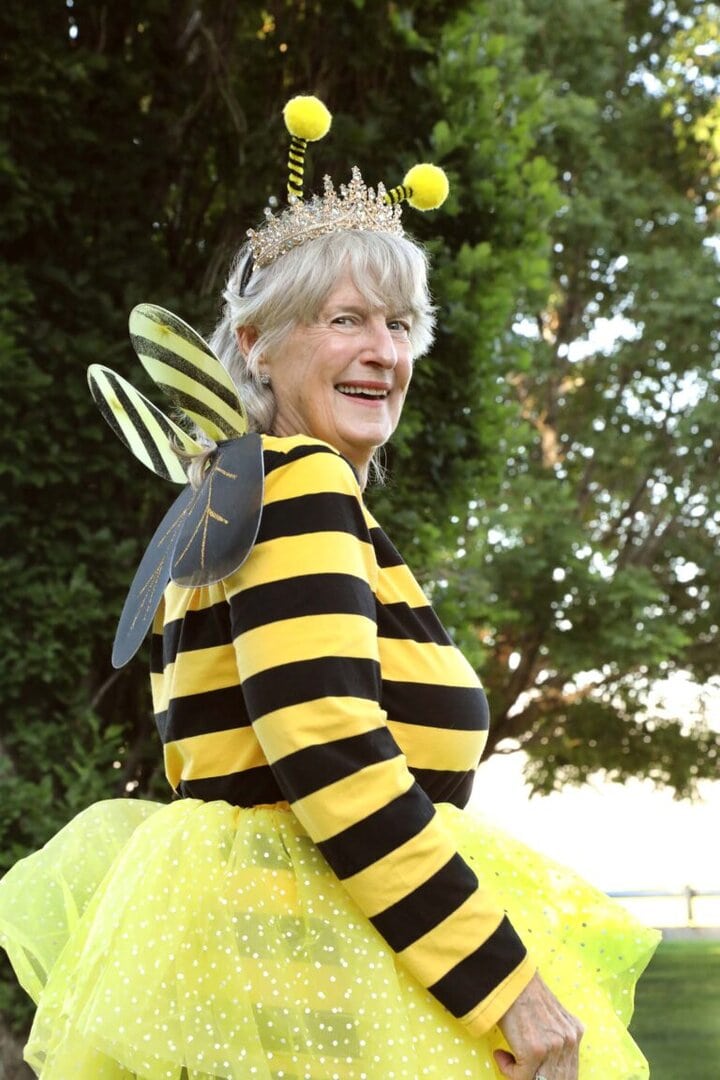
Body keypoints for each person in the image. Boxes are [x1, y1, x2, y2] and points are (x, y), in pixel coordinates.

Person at [0, 98, 658, 1080]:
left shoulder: (235, 494)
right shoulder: (299, 487)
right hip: (305, 1003)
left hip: (266, 991)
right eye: (345, 319)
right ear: (258, 345)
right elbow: (333, 751)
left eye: (398, 325)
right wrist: (505, 985)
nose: (383, 352)